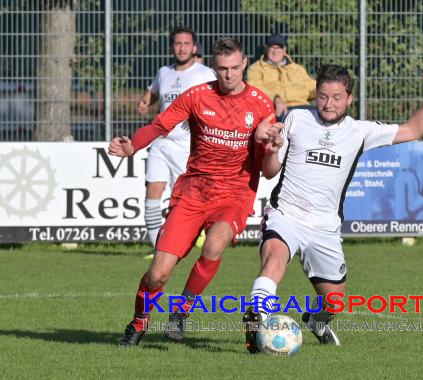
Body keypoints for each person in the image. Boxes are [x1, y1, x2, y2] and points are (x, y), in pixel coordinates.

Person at [243, 59, 423, 352]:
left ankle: (316, 321)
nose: (329, 104)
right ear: (316, 94)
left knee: (334, 301)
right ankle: (256, 322)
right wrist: (271, 152)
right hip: (286, 214)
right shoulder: (296, 120)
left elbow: (413, 130)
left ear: (349, 98)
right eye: (323, 96)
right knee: (273, 261)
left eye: (337, 97)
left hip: (325, 227)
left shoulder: (360, 131)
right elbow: (270, 170)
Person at [108, 37, 279, 347]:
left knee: (214, 245)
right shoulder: (197, 96)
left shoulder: (261, 104)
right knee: (157, 274)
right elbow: (159, 126)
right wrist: (134, 145)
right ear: (213, 67)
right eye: (222, 69)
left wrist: (266, 145)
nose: (229, 75)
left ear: (244, 65)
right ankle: (138, 322)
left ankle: (181, 312)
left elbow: (267, 170)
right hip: (193, 193)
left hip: (234, 194)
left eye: (235, 68)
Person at [137, 27, 216, 249]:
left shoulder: (204, 74)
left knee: (186, 199)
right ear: (173, 46)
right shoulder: (164, 72)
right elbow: (152, 93)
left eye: (186, 44)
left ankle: (189, 237)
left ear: (194, 47)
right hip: (161, 142)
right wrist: (145, 102)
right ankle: (157, 247)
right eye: (177, 43)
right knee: (153, 190)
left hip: (188, 145)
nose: (181, 48)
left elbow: (219, 100)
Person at [247, 33, 316, 121]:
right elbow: (255, 89)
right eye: (272, 47)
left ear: (284, 50)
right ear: (266, 48)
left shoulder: (297, 69)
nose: (275, 51)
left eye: (279, 47)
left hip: (302, 107)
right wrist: (275, 98)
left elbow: (311, 86)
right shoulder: (256, 68)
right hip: (275, 109)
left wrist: (327, 90)